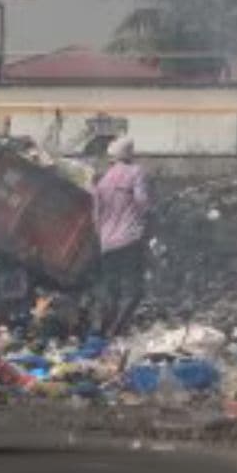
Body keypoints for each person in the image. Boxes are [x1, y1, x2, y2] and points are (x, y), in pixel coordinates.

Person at [91, 136, 149, 336]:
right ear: (130, 155)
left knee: (111, 290)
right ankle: (115, 331)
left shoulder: (102, 181)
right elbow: (142, 202)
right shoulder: (136, 172)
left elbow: (96, 217)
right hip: (130, 239)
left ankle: (103, 330)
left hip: (107, 244)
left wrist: (103, 238)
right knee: (134, 290)